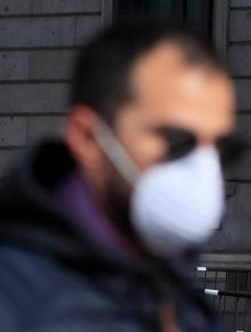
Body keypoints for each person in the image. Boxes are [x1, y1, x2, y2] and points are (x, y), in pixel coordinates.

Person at [0, 21, 235, 331]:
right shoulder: (17, 302)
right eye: (177, 140)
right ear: (87, 137)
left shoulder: (179, 301)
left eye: (218, 147)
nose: (203, 170)